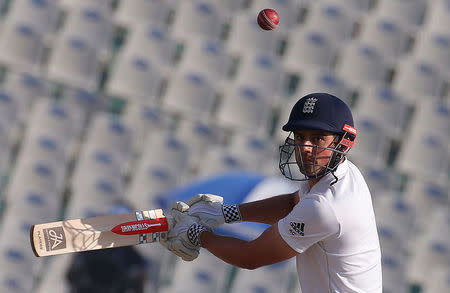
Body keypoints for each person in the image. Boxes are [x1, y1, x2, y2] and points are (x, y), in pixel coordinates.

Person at [160, 93, 382, 292]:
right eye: (300, 136)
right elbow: (292, 204)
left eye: (317, 138)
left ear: (344, 143)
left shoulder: (326, 206)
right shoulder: (341, 174)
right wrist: (225, 213)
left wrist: (198, 235)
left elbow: (251, 256)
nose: (305, 147)